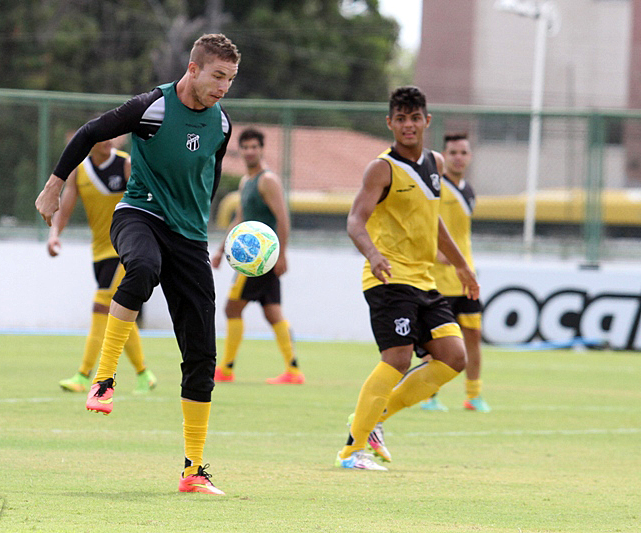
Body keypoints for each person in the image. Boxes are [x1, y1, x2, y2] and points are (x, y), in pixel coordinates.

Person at [35, 33, 240, 495]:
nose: (223, 87)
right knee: (142, 269)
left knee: (202, 357)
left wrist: (202, 229)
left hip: (189, 238)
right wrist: (54, 185)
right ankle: (104, 378)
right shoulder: (154, 107)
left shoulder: (222, 124)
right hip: (139, 215)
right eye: (217, 76)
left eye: (230, 79)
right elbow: (90, 132)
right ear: (193, 69)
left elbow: (207, 175)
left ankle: (193, 470)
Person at [336, 86, 480, 471]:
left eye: (415, 117)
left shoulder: (435, 163)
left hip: (425, 281)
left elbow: (434, 221)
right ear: (390, 123)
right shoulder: (381, 168)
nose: (408, 125)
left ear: (427, 121)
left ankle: (372, 419)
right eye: (400, 118)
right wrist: (373, 254)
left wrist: (462, 265)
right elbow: (355, 220)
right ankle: (351, 452)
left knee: (454, 357)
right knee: (397, 358)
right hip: (388, 279)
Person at [47, 136, 157, 395]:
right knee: (118, 311)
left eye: (112, 136)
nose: (109, 141)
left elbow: (146, 200)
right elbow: (65, 208)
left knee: (101, 306)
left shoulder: (126, 164)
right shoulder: (79, 171)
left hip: (125, 248)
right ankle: (144, 374)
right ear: (92, 140)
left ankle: (83, 375)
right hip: (99, 252)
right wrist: (54, 235)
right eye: (103, 137)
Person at [210, 128, 304, 385]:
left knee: (232, 308)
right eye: (245, 147)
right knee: (273, 312)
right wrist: (220, 250)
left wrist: (282, 255)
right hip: (258, 258)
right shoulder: (246, 182)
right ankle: (293, 371)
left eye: (254, 147)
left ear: (262, 149)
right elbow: (239, 219)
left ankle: (226, 369)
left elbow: (283, 218)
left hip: (258, 260)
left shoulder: (267, 180)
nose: (250, 151)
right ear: (240, 150)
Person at [419, 133, 490, 413]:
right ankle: (429, 396)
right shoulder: (435, 188)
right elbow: (423, 223)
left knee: (473, 336)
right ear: (444, 156)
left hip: (465, 279)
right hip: (438, 280)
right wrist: (436, 252)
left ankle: (474, 396)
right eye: (453, 153)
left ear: (470, 157)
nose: (458, 158)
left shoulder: (469, 191)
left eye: (463, 152)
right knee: (438, 342)